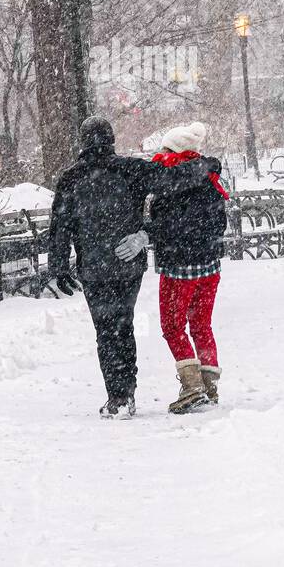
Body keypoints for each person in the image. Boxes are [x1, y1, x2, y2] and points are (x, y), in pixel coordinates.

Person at [47, 116, 214, 417]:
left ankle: (119, 396)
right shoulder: (131, 169)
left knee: (106, 331)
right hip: (128, 264)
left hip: (94, 267)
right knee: (124, 325)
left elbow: (59, 226)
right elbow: (171, 178)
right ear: (111, 140)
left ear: (82, 142)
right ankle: (128, 391)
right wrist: (204, 166)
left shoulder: (70, 179)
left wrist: (58, 265)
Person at [148, 121, 229, 414]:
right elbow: (220, 222)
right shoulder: (209, 177)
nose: (160, 154)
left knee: (172, 325)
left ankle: (192, 386)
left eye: (165, 149)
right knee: (201, 324)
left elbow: (167, 225)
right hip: (210, 267)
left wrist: (151, 232)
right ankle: (209, 385)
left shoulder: (171, 181)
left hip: (179, 268)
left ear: (174, 151)